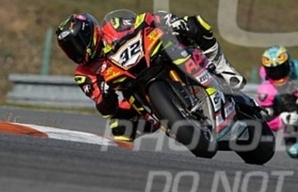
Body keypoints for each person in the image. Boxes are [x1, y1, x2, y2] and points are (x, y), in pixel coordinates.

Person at [55, 10, 246, 142]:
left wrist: (170, 21)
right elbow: (107, 109)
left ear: (90, 32)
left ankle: (222, 67)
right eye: (70, 49)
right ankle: (169, 121)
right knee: (119, 126)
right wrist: (105, 95)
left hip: (152, 56)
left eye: (77, 43)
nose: (76, 51)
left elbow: (145, 19)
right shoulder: (84, 74)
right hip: (133, 90)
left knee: (194, 23)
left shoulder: (114, 26)